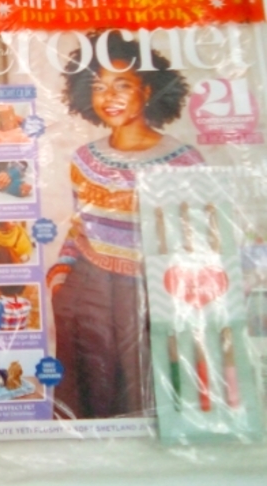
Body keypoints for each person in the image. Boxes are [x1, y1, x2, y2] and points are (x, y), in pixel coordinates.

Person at [47, 31, 204, 420]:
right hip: (87, 292)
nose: (109, 96)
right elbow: (78, 227)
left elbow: (197, 239)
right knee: (89, 396)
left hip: (150, 294)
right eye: (99, 86)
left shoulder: (182, 160)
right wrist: (61, 276)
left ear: (147, 90)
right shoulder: (84, 158)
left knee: (146, 397)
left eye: (123, 85)